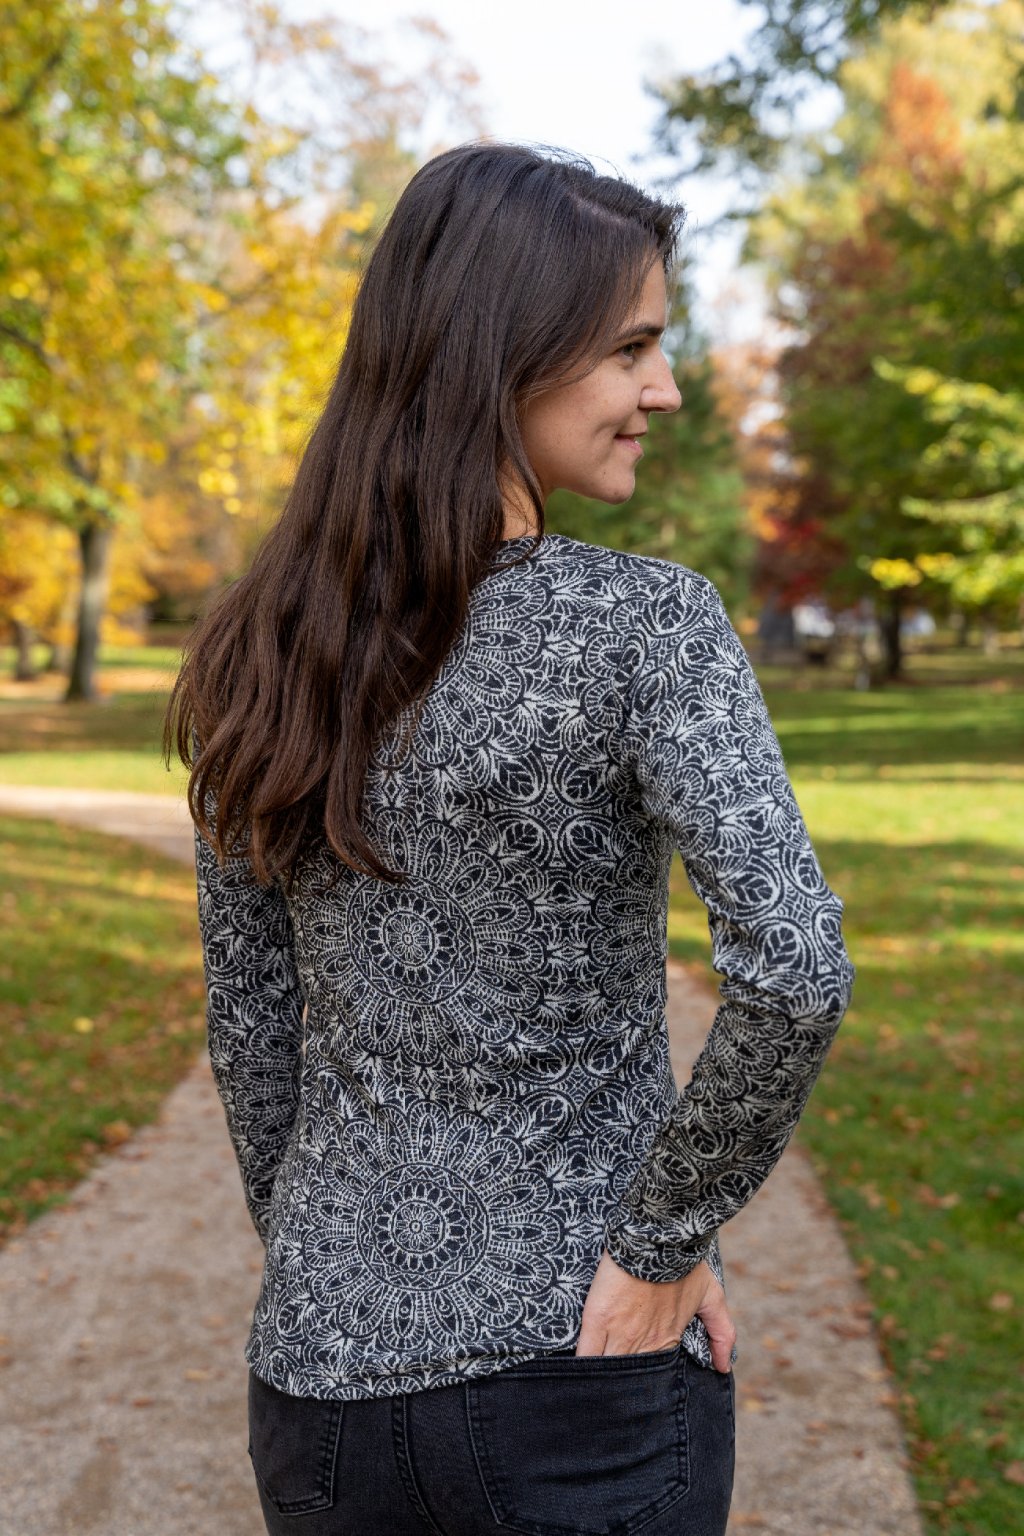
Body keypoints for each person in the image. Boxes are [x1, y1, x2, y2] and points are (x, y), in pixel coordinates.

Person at [166, 141, 855, 1536]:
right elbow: (794, 968)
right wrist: (664, 1243)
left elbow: (252, 1035)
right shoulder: (645, 624)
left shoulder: (261, 646)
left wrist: (331, 1274)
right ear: (503, 355)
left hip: (320, 1383)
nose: (665, 388)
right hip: (581, 1365)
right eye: (631, 350)